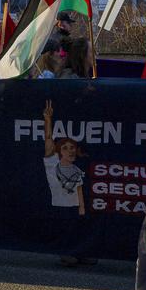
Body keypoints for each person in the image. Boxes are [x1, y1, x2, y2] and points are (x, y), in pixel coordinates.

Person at [42, 100, 95, 267]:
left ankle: (80, 253)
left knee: (80, 227)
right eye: (65, 148)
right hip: (60, 205)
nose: (70, 150)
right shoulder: (52, 163)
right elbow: (49, 139)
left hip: (76, 206)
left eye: (72, 147)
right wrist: (48, 120)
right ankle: (66, 253)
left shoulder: (75, 168)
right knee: (66, 229)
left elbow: (79, 187)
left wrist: (81, 207)